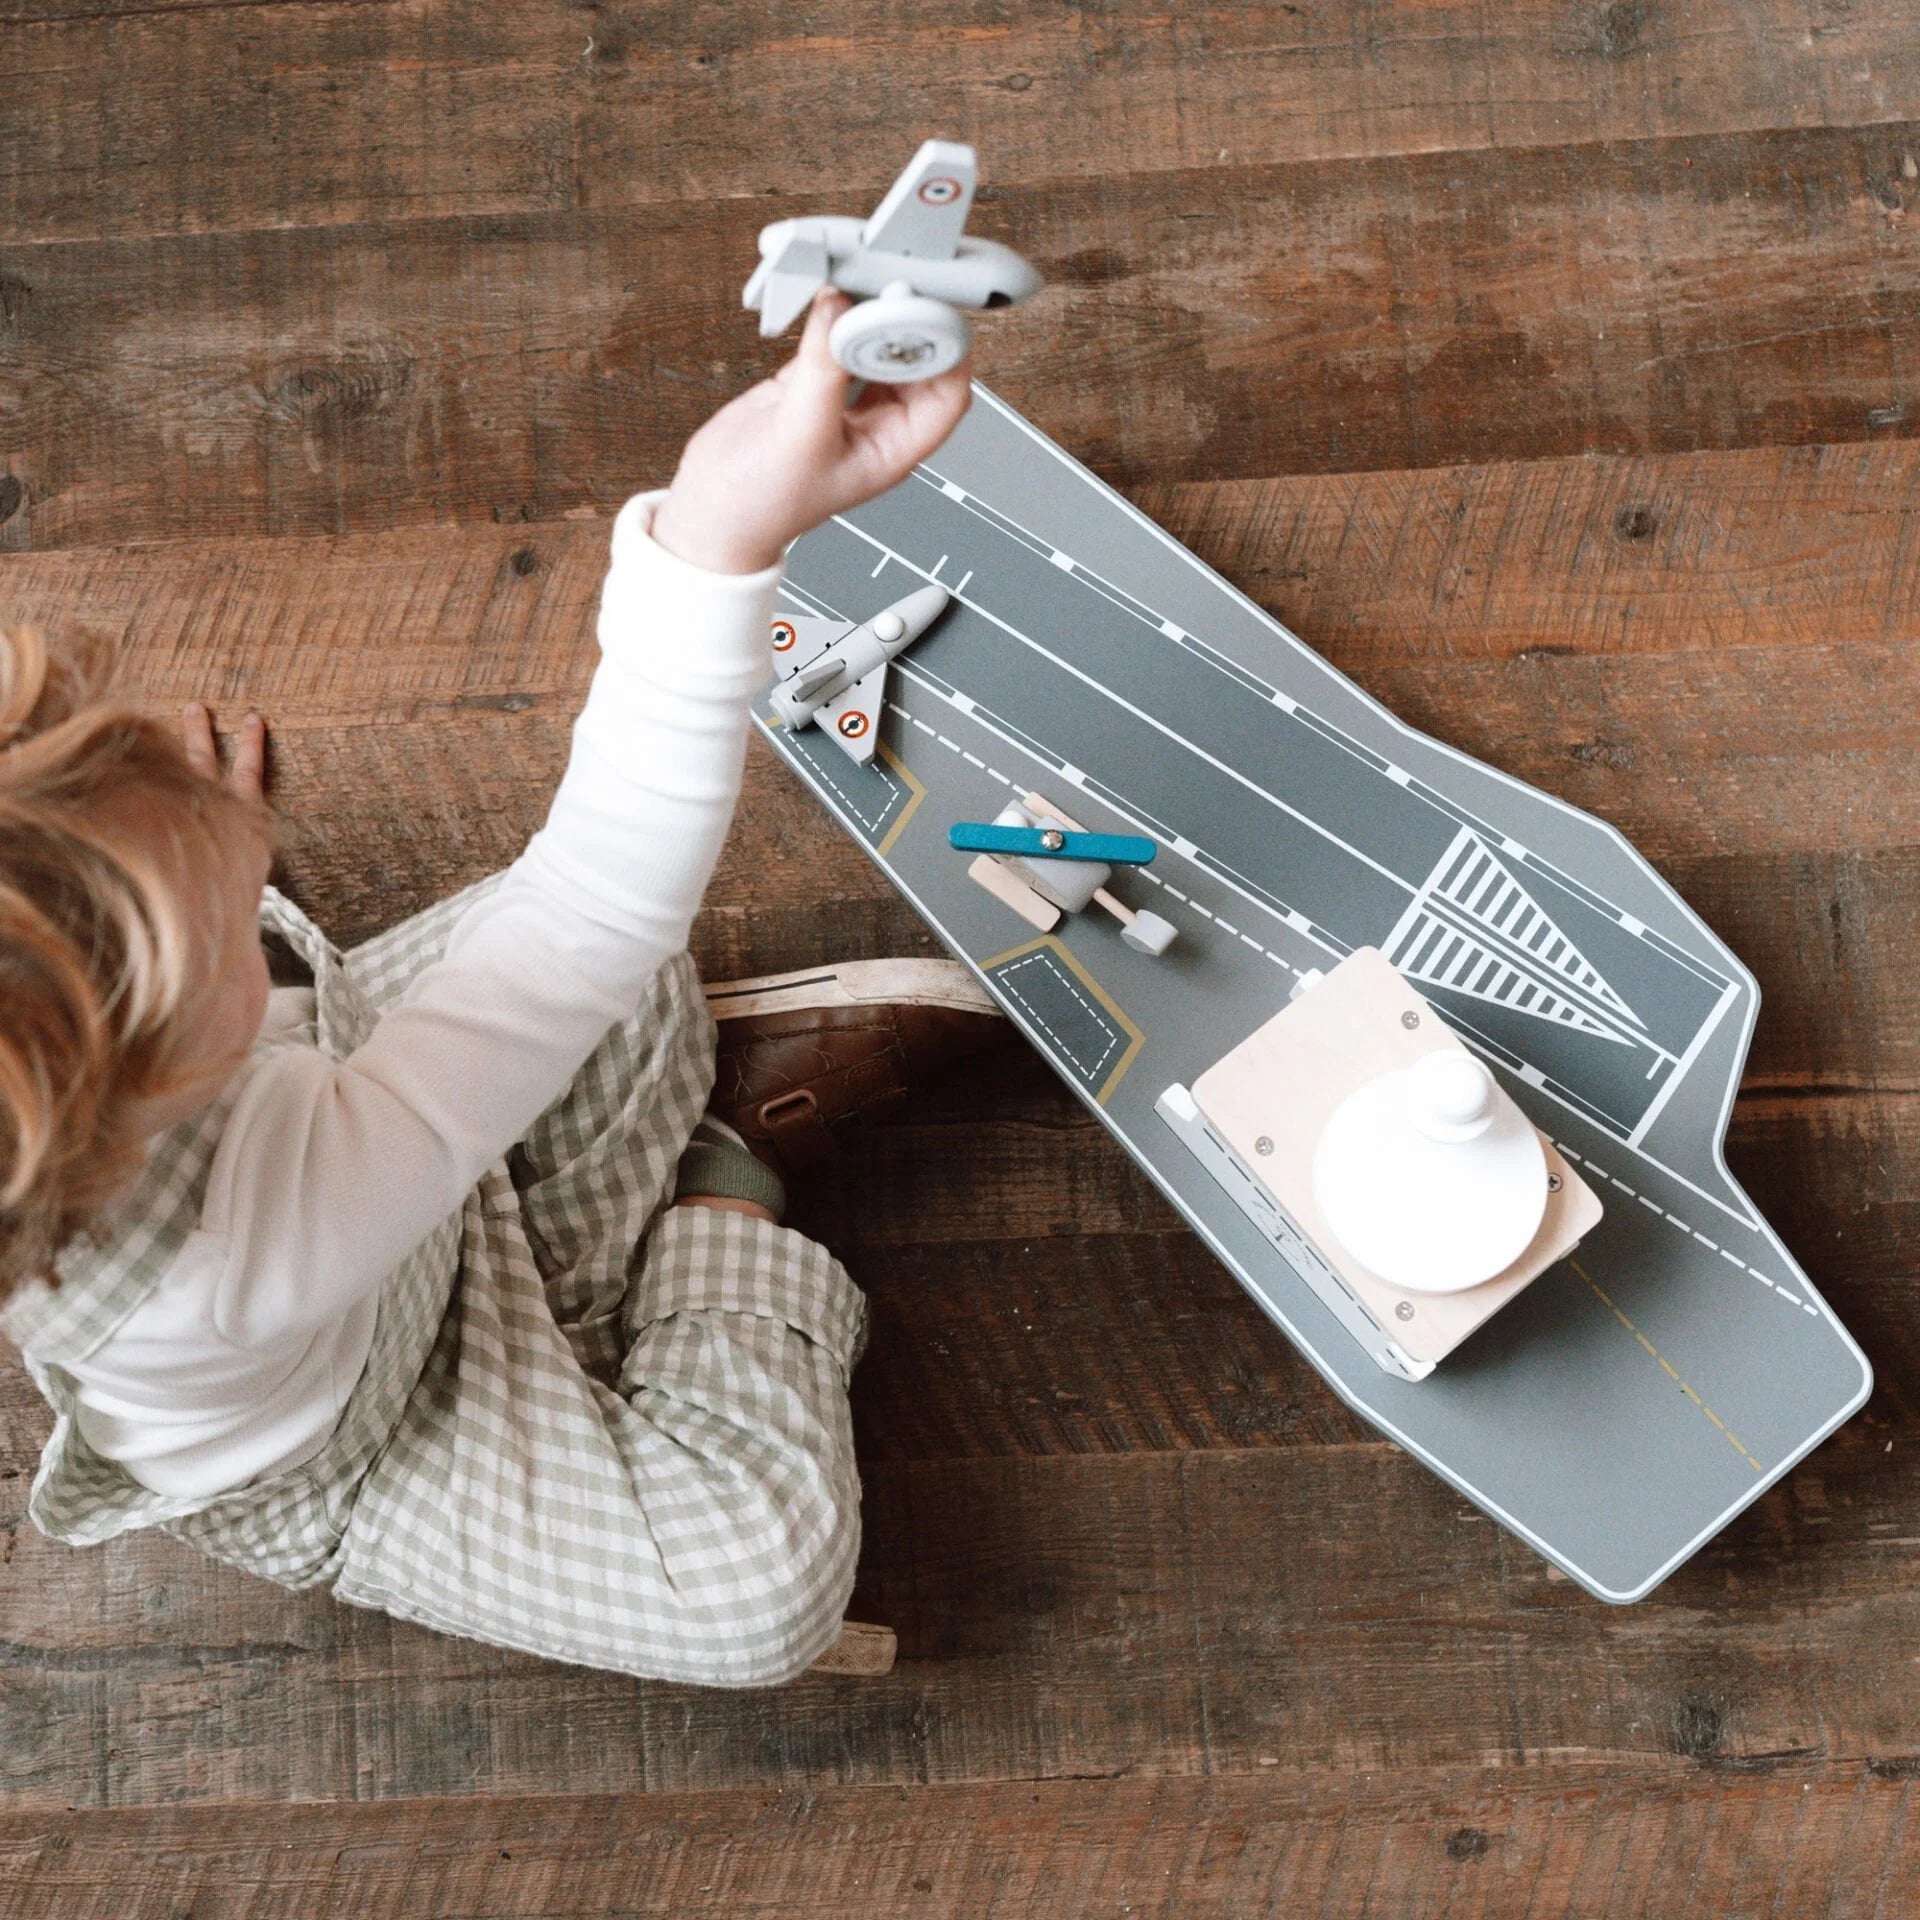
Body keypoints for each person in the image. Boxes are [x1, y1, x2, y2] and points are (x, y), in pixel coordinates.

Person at [0, 291, 1003, 1687]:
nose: (246, 870)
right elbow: (593, 894)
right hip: (365, 1435)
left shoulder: (131, 1079)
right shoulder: (225, 1264)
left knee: (609, 989)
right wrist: (712, 544)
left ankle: (598, 1302)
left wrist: (148, 849)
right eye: (231, 922)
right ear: (147, 1080)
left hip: (373, 1198)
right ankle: (726, 1179)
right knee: (752, 1603)